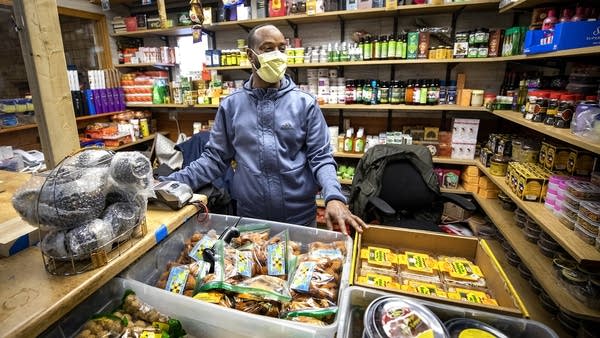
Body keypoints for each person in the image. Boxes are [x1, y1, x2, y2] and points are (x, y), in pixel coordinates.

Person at [161, 24, 367, 234]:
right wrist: (168, 182)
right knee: (256, 266)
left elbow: (321, 157)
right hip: (251, 217)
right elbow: (214, 159)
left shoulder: (305, 104)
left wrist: (334, 196)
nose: (277, 55)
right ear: (251, 55)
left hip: (299, 218)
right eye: (268, 48)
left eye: (281, 48)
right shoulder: (232, 105)